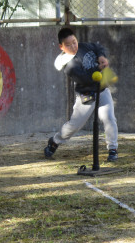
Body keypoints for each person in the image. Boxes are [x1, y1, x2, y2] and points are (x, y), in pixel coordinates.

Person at [44, 27, 118, 161]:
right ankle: (55, 140)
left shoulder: (84, 46)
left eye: (74, 42)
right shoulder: (69, 66)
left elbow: (97, 47)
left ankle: (113, 149)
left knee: (109, 118)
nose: (73, 46)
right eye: (68, 44)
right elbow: (86, 79)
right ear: (61, 47)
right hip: (87, 95)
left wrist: (101, 56)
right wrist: (98, 68)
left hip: (102, 89)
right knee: (74, 126)